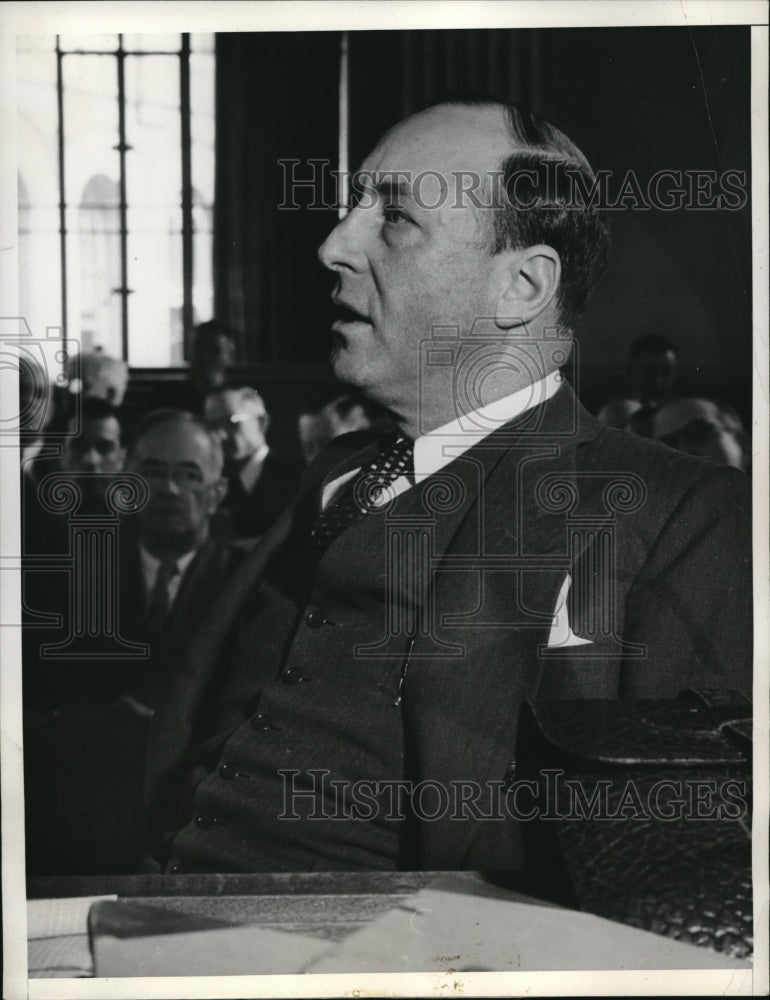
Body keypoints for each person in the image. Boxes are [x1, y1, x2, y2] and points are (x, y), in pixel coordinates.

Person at [146, 101, 751, 876]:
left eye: (394, 217)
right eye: (350, 208)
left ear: (523, 287)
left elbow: (678, 858)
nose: (332, 245)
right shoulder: (338, 470)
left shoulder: (683, 516)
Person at [23, 409, 246, 875]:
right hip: (79, 821)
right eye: (152, 472)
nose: (167, 490)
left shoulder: (242, 588)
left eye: (188, 475)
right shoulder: (72, 576)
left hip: (194, 834)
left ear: (216, 493)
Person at [204, 386, 303, 538]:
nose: (220, 435)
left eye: (231, 422)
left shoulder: (298, 476)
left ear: (261, 422)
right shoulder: (208, 480)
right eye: (213, 426)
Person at [149, 321, 237, 414]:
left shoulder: (239, 400)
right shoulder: (165, 396)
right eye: (198, 347)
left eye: (213, 350)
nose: (204, 356)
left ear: (230, 357)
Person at [597, 333, 678, 434]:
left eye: (666, 372)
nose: (658, 381)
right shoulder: (613, 413)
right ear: (631, 371)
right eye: (648, 372)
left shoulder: (681, 413)